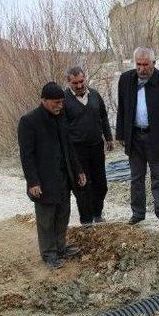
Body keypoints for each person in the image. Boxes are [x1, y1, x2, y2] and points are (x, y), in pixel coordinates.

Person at [18, 82, 87, 270]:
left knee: (63, 214)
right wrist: (32, 182)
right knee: (47, 218)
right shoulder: (29, 121)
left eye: (61, 102)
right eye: (56, 102)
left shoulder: (61, 117)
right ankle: (49, 253)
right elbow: (26, 156)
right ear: (44, 100)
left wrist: (79, 170)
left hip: (63, 177)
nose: (60, 105)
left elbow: (70, 147)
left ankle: (60, 247)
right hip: (43, 180)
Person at [115, 47, 159, 225]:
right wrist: (120, 133)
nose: (142, 69)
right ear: (134, 63)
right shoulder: (126, 80)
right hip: (134, 136)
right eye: (139, 65)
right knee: (136, 178)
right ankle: (138, 213)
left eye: (146, 65)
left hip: (157, 137)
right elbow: (122, 109)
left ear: (154, 63)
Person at [64, 66, 114, 226]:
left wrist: (108, 137)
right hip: (77, 151)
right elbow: (62, 128)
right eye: (75, 83)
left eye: (81, 81)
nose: (79, 86)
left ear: (85, 79)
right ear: (68, 82)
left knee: (101, 183)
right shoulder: (64, 100)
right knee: (83, 185)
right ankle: (86, 220)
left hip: (96, 147)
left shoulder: (95, 95)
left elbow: (104, 117)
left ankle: (97, 214)